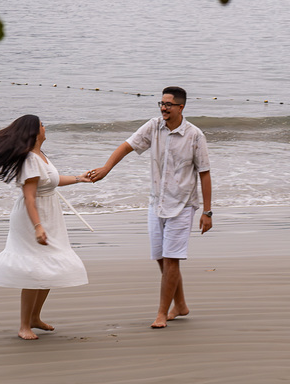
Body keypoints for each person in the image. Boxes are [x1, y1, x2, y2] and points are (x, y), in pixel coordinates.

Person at [86, 86, 212, 328]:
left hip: (183, 204)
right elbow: (127, 146)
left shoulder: (195, 136)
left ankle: (162, 313)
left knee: (171, 259)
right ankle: (181, 305)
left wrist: (207, 212)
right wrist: (106, 169)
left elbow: (205, 174)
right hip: (157, 202)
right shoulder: (153, 126)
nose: (163, 108)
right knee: (161, 259)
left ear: (181, 107)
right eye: (161, 104)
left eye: (168, 104)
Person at [0, 114, 91, 340]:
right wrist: (38, 227)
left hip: (50, 214)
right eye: (41, 125)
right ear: (34, 131)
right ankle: (24, 325)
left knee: (51, 266)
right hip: (34, 216)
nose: (45, 127)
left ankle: (35, 318)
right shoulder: (30, 160)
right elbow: (30, 197)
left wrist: (78, 178)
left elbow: (52, 180)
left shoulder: (41, 155)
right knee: (35, 269)